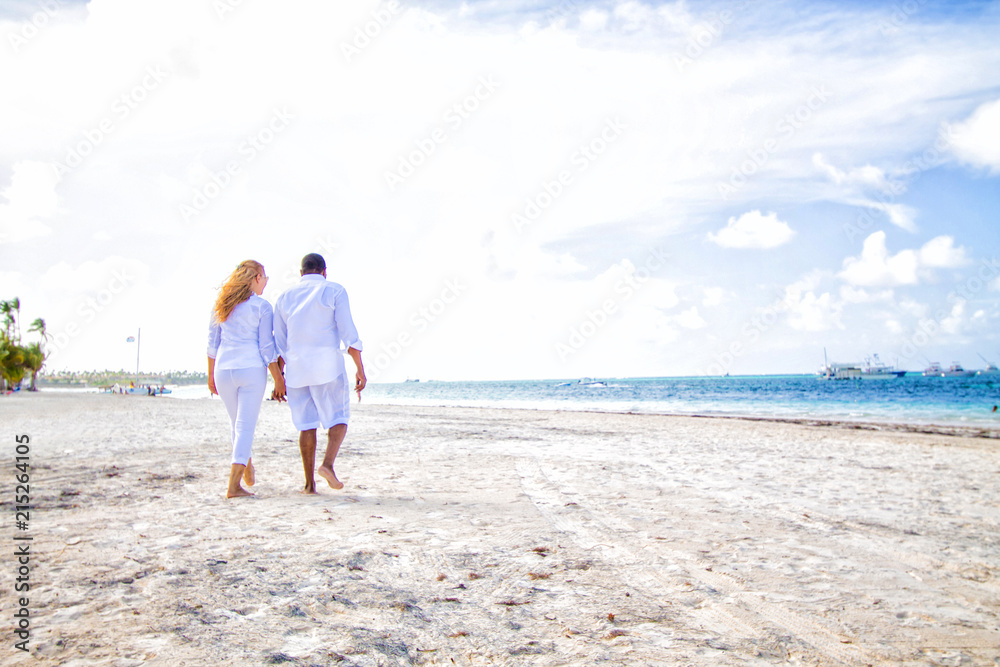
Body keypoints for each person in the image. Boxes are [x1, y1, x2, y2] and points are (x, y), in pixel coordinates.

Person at [274, 252, 365, 494]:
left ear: (301, 273)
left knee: (306, 425)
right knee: (338, 418)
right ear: (324, 271)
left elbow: (280, 343)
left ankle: (309, 485)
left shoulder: (284, 297)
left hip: (295, 371)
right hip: (327, 367)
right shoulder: (334, 291)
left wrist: (278, 379)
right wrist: (360, 369)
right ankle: (327, 465)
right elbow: (349, 334)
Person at [207, 260, 287, 498]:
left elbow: (212, 344)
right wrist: (278, 379)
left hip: (224, 370)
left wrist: (210, 376)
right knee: (244, 427)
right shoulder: (261, 307)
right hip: (250, 369)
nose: (266, 282)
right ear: (255, 278)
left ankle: (247, 466)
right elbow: (266, 347)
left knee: (236, 425)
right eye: (264, 277)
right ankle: (233, 485)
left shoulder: (222, 304)